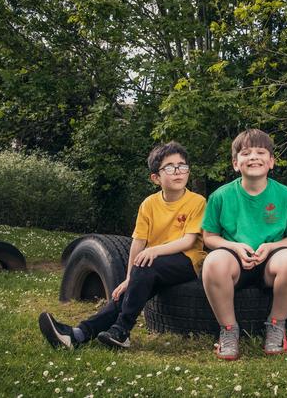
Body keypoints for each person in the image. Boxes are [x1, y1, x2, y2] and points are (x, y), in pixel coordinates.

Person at [38, 141, 206, 349]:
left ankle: (122, 329)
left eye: (182, 166)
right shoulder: (149, 204)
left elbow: (188, 241)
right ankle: (77, 334)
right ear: (156, 178)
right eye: (170, 167)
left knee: (146, 266)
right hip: (154, 265)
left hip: (187, 262)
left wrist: (153, 251)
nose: (178, 171)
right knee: (128, 294)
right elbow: (138, 242)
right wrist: (129, 278)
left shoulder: (197, 201)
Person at [201, 129, 287, 360]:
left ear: (271, 162)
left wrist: (271, 247)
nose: (253, 157)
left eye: (261, 152)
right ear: (235, 163)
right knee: (213, 262)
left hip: (272, 263)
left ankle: (276, 324)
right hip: (234, 263)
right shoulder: (220, 196)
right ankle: (229, 330)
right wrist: (235, 247)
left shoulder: (285, 195)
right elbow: (209, 237)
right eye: (246, 153)